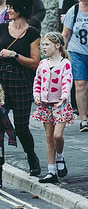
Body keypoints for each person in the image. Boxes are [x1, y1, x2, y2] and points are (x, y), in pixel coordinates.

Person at [0, 0, 42, 176]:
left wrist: (14, 55)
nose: (8, 10)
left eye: (11, 7)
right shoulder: (1, 28)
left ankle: (32, 158)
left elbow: (35, 63)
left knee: (22, 127)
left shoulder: (33, 32)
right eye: (7, 6)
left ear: (22, 8)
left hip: (21, 83)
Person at [33, 32, 74, 183]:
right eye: (43, 45)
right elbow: (37, 81)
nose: (44, 47)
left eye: (47, 44)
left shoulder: (65, 64)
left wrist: (64, 96)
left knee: (57, 136)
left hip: (60, 105)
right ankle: (51, 171)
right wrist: (36, 96)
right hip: (45, 105)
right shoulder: (43, 64)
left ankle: (60, 157)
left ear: (57, 46)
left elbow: (67, 81)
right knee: (49, 138)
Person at [63, 0, 88, 131]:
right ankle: (84, 119)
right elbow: (65, 34)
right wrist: (62, 53)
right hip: (77, 51)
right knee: (80, 85)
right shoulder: (74, 10)